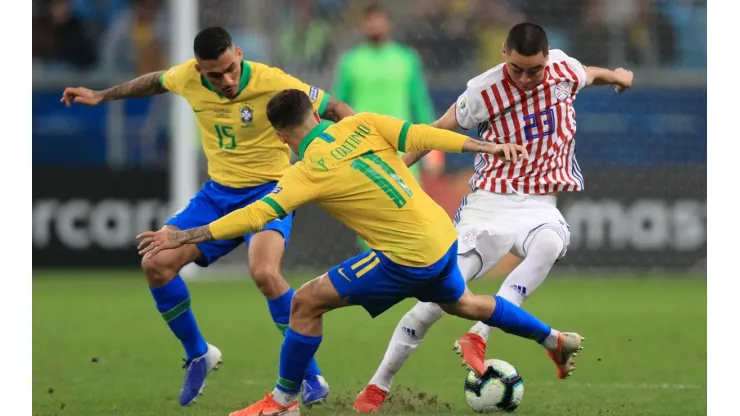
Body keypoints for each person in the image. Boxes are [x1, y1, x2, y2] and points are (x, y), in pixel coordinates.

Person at [136, 88, 585, 416]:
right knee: (465, 303)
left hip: (404, 256)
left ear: (279, 136)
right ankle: (554, 339)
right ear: (315, 112)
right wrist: (484, 145)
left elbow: (255, 217)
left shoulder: (305, 171)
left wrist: (183, 236)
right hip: (442, 236)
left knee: (306, 302)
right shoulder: (362, 122)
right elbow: (425, 136)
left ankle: (282, 402)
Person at [60, 26, 354, 407]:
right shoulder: (188, 76)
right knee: (156, 264)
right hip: (217, 196)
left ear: (240, 54)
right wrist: (102, 95)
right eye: (215, 75)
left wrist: (360, 145)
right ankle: (199, 353)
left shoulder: (273, 81)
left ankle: (310, 375)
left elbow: (334, 108)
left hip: (270, 193)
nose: (227, 80)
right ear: (200, 69)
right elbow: (154, 82)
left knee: (265, 273)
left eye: (231, 68)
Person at [353, 21, 633, 413]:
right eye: (516, 68)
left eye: (534, 70)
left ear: (547, 59)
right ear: (504, 53)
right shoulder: (484, 89)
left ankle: (479, 334)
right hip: (488, 203)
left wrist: (617, 75)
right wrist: (395, 168)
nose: (524, 77)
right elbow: (435, 131)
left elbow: (592, 74)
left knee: (550, 242)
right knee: (437, 299)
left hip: (539, 203)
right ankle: (377, 386)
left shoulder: (564, 69)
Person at [332, 4, 443, 251]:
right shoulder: (351, 62)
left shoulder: (406, 59)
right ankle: (372, 268)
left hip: (403, 145)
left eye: (378, 20)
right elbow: (336, 105)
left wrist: (434, 146)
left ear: (388, 24)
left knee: (410, 204)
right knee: (365, 208)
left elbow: (420, 103)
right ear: (363, 25)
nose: (373, 26)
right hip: (360, 145)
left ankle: (410, 262)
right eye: (369, 21)